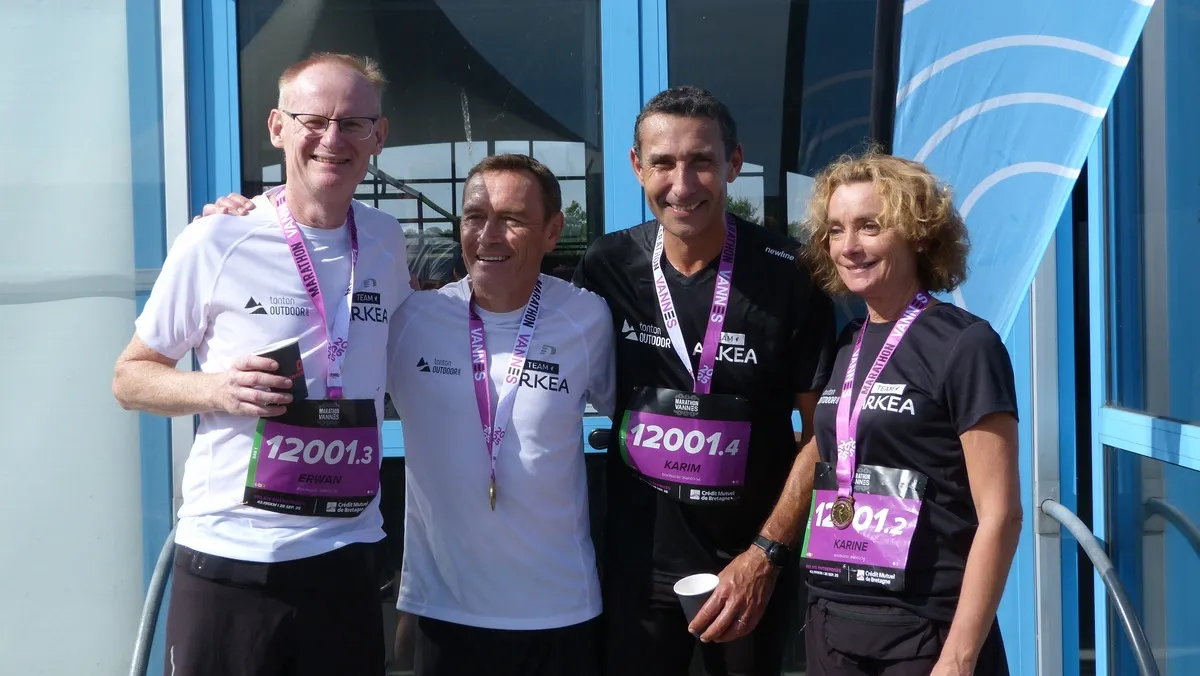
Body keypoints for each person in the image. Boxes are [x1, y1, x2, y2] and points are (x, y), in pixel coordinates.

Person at [203, 153, 617, 676]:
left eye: (512, 219)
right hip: (442, 610)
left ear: (553, 231)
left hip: (562, 607)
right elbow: (323, 316)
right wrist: (251, 221)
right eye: (474, 217)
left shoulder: (586, 317)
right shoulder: (412, 319)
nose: (488, 235)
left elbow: (634, 422)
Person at [112, 53, 407, 675]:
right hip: (232, 561)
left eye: (354, 123)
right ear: (277, 127)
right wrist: (217, 389)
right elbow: (130, 378)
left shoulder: (387, 240)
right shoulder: (217, 238)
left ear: (378, 136)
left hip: (347, 558)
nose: (332, 139)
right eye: (313, 121)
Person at [572, 85, 837, 676]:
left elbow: (825, 432)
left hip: (746, 566)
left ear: (734, 163)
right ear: (637, 166)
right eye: (663, 162)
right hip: (636, 566)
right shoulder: (606, 266)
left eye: (701, 161)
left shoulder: (791, 275)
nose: (682, 184)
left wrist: (767, 553)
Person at [797, 150, 1022, 676]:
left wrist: (959, 656)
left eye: (870, 226)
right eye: (836, 230)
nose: (848, 246)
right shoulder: (848, 342)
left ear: (918, 234)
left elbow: (1001, 515)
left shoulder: (966, 345)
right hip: (834, 622)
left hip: (924, 633)